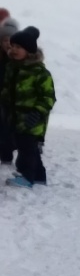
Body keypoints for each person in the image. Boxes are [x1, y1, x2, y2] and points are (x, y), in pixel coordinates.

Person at [5, 27, 56, 188]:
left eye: (18, 47)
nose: (14, 50)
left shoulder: (40, 73)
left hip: (32, 118)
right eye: (12, 46)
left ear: (29, 51)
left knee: (26, 149)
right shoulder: (13, 68)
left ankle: (27, 177)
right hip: (16, 116)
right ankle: (40, 176)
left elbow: (48, 97)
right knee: (30, 148)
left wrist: (37, 112)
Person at [0, 14, 20, 167]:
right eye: (5, 40)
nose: (7, 44)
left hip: (13, 99)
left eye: (11, 41)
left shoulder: (19, 59)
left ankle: (7, 154)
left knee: (10, 126)